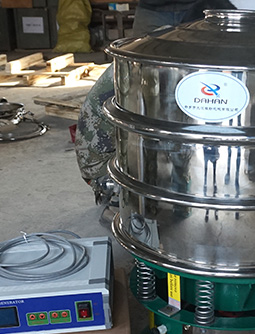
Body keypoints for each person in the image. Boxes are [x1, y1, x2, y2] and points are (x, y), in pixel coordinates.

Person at [75, 0, 237, 204]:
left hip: (121, 149)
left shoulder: (172, 42)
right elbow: (171, 137)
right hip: (104, 167)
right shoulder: (159, 63)